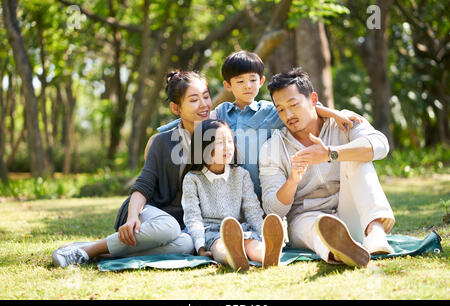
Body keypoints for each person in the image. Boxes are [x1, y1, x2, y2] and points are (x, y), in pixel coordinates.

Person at [52, 71, 212, 268]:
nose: (204, 104)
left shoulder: (216, 139)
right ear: (176, 108)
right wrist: (133, 217)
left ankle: (102, 254)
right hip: (150, 213)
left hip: (181, 225)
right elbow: (143, 185)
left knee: (187, 244)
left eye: (206, 96)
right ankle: (87, 250)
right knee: (168, 228)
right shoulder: (162, 141)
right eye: (194, 100)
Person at [155, 51, 362, 198]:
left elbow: (307, 108)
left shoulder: (272, 111)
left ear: (261, 81)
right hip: (231, 192)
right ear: (228, 85)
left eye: (253, 80)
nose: (247, 86)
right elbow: (189, 120)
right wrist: (158, 137)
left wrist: (334, 114)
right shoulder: (221, 113)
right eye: (240, 81)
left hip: (264, 191)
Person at [259, 67, 396, 268]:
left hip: (352, 213)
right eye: (280, 109)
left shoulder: (343, 122)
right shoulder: (272, 148)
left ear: (313, 100)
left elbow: (380, 145)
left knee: (356, 155)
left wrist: (331, 153)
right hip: (306, 220)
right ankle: (340, 251)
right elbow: (272, 208)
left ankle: (375, 233)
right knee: (312, 228)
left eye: (293, 104)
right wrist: (292, 181)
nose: (288, 115)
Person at [181, 119, 284, 271]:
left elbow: (253, 210)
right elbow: (193, 217)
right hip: (210, 231)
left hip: (238, 228)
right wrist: (200, 246)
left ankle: (268, 255)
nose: (228, 147)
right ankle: (234, 258)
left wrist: (262, 234)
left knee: (250, 242)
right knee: (219, 246)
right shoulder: (193, 179)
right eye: (220, 143)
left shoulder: (241, 175)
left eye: (230, 141)